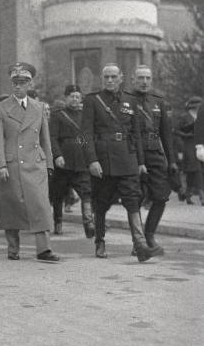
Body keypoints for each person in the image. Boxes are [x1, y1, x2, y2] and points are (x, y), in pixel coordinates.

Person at [81, 63, 163, 262]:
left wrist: (141, 161)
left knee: (133, 200)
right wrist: (92, 160)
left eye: (113, 76)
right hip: (103, 161)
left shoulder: (130, 100)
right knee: (101, 204)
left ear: (121, 78)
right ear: (102, 79)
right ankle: (100, 241)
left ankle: (140, 244)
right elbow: (84, 135)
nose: (109, 80)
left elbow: (135, 134)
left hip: (127, 159)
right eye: (106, 77)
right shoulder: (93, 100)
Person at [0, 62, 59, 263]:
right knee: (12, 206)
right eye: (15, 82)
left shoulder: (39, 108)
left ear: (30, 84)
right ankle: (13, 248)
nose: (18, 86)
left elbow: (45, 138)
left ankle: (44, 249)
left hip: (35, 164)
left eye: (22, 82)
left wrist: (49, 163)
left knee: (41, 205)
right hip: (11, 164)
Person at [130, 66, 178, 252]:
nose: (144, 82)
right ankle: (139, 242)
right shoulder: (127, 100)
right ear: (133, 79)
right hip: (133, 154)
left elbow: (167, 134)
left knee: (161, 196)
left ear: (151, 80)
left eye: (148, 78)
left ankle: (149, 234)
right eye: (140, 78)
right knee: (135, 197)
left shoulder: (159, 102)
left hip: (155, 154)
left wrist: (172, 160)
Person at [49, 84, 94, 238]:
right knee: (58, 194)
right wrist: (57, 155)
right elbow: (52, 137)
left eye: (77, 97)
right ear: (66, 97)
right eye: (71, 96)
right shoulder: (57, 115)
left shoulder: (85, 115)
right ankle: (58, 222)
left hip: (81, 160)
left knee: (86, 192)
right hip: (63, 161)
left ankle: (89, 223)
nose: (74, 99)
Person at [175, 96, 204, 205]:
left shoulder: (201, 115)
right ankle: (202, 197)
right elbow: (176, 130)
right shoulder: (184, 117)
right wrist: (186, 134)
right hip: (188, 145)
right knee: (197, 170)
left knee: (193, 173)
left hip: (199, 144)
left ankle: (187, 195)